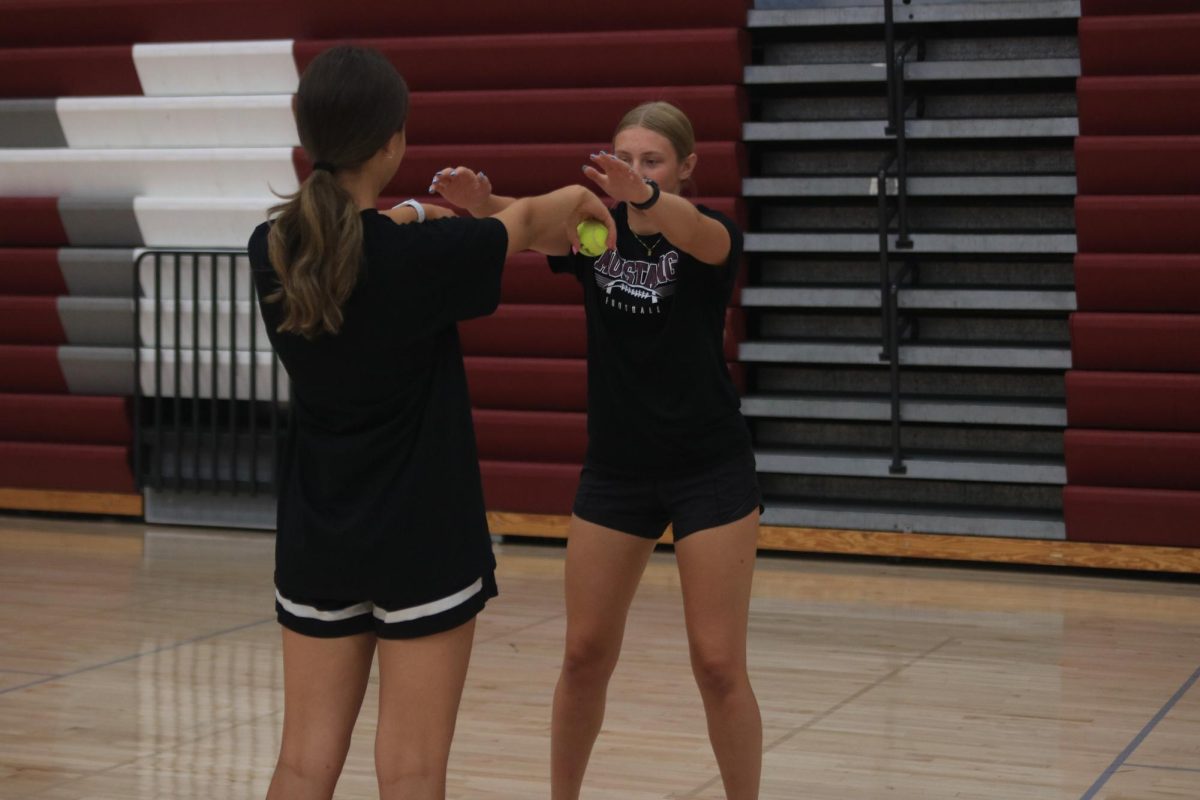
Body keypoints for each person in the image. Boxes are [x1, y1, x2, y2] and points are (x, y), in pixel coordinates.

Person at [247, 45, 614, 800]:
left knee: (302, 762)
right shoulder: (426, 259)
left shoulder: (273, 249)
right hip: (422, 533)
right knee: (411, 770)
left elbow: (359, 237)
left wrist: (412, 210)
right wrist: (584, 201)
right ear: (392, 143)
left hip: (320, 531)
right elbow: (539, 217)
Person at [432, 101, 763, 800]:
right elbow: (532, 224)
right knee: (583, 656)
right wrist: (481, 202)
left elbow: (697, 232)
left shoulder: (709, 237)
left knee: (717, 664)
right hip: (618, 470)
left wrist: (642, 197)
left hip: (709, 468)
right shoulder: (595, 231)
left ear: (685, 168)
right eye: (625, 158)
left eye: (652, 161)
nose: (635, 172)